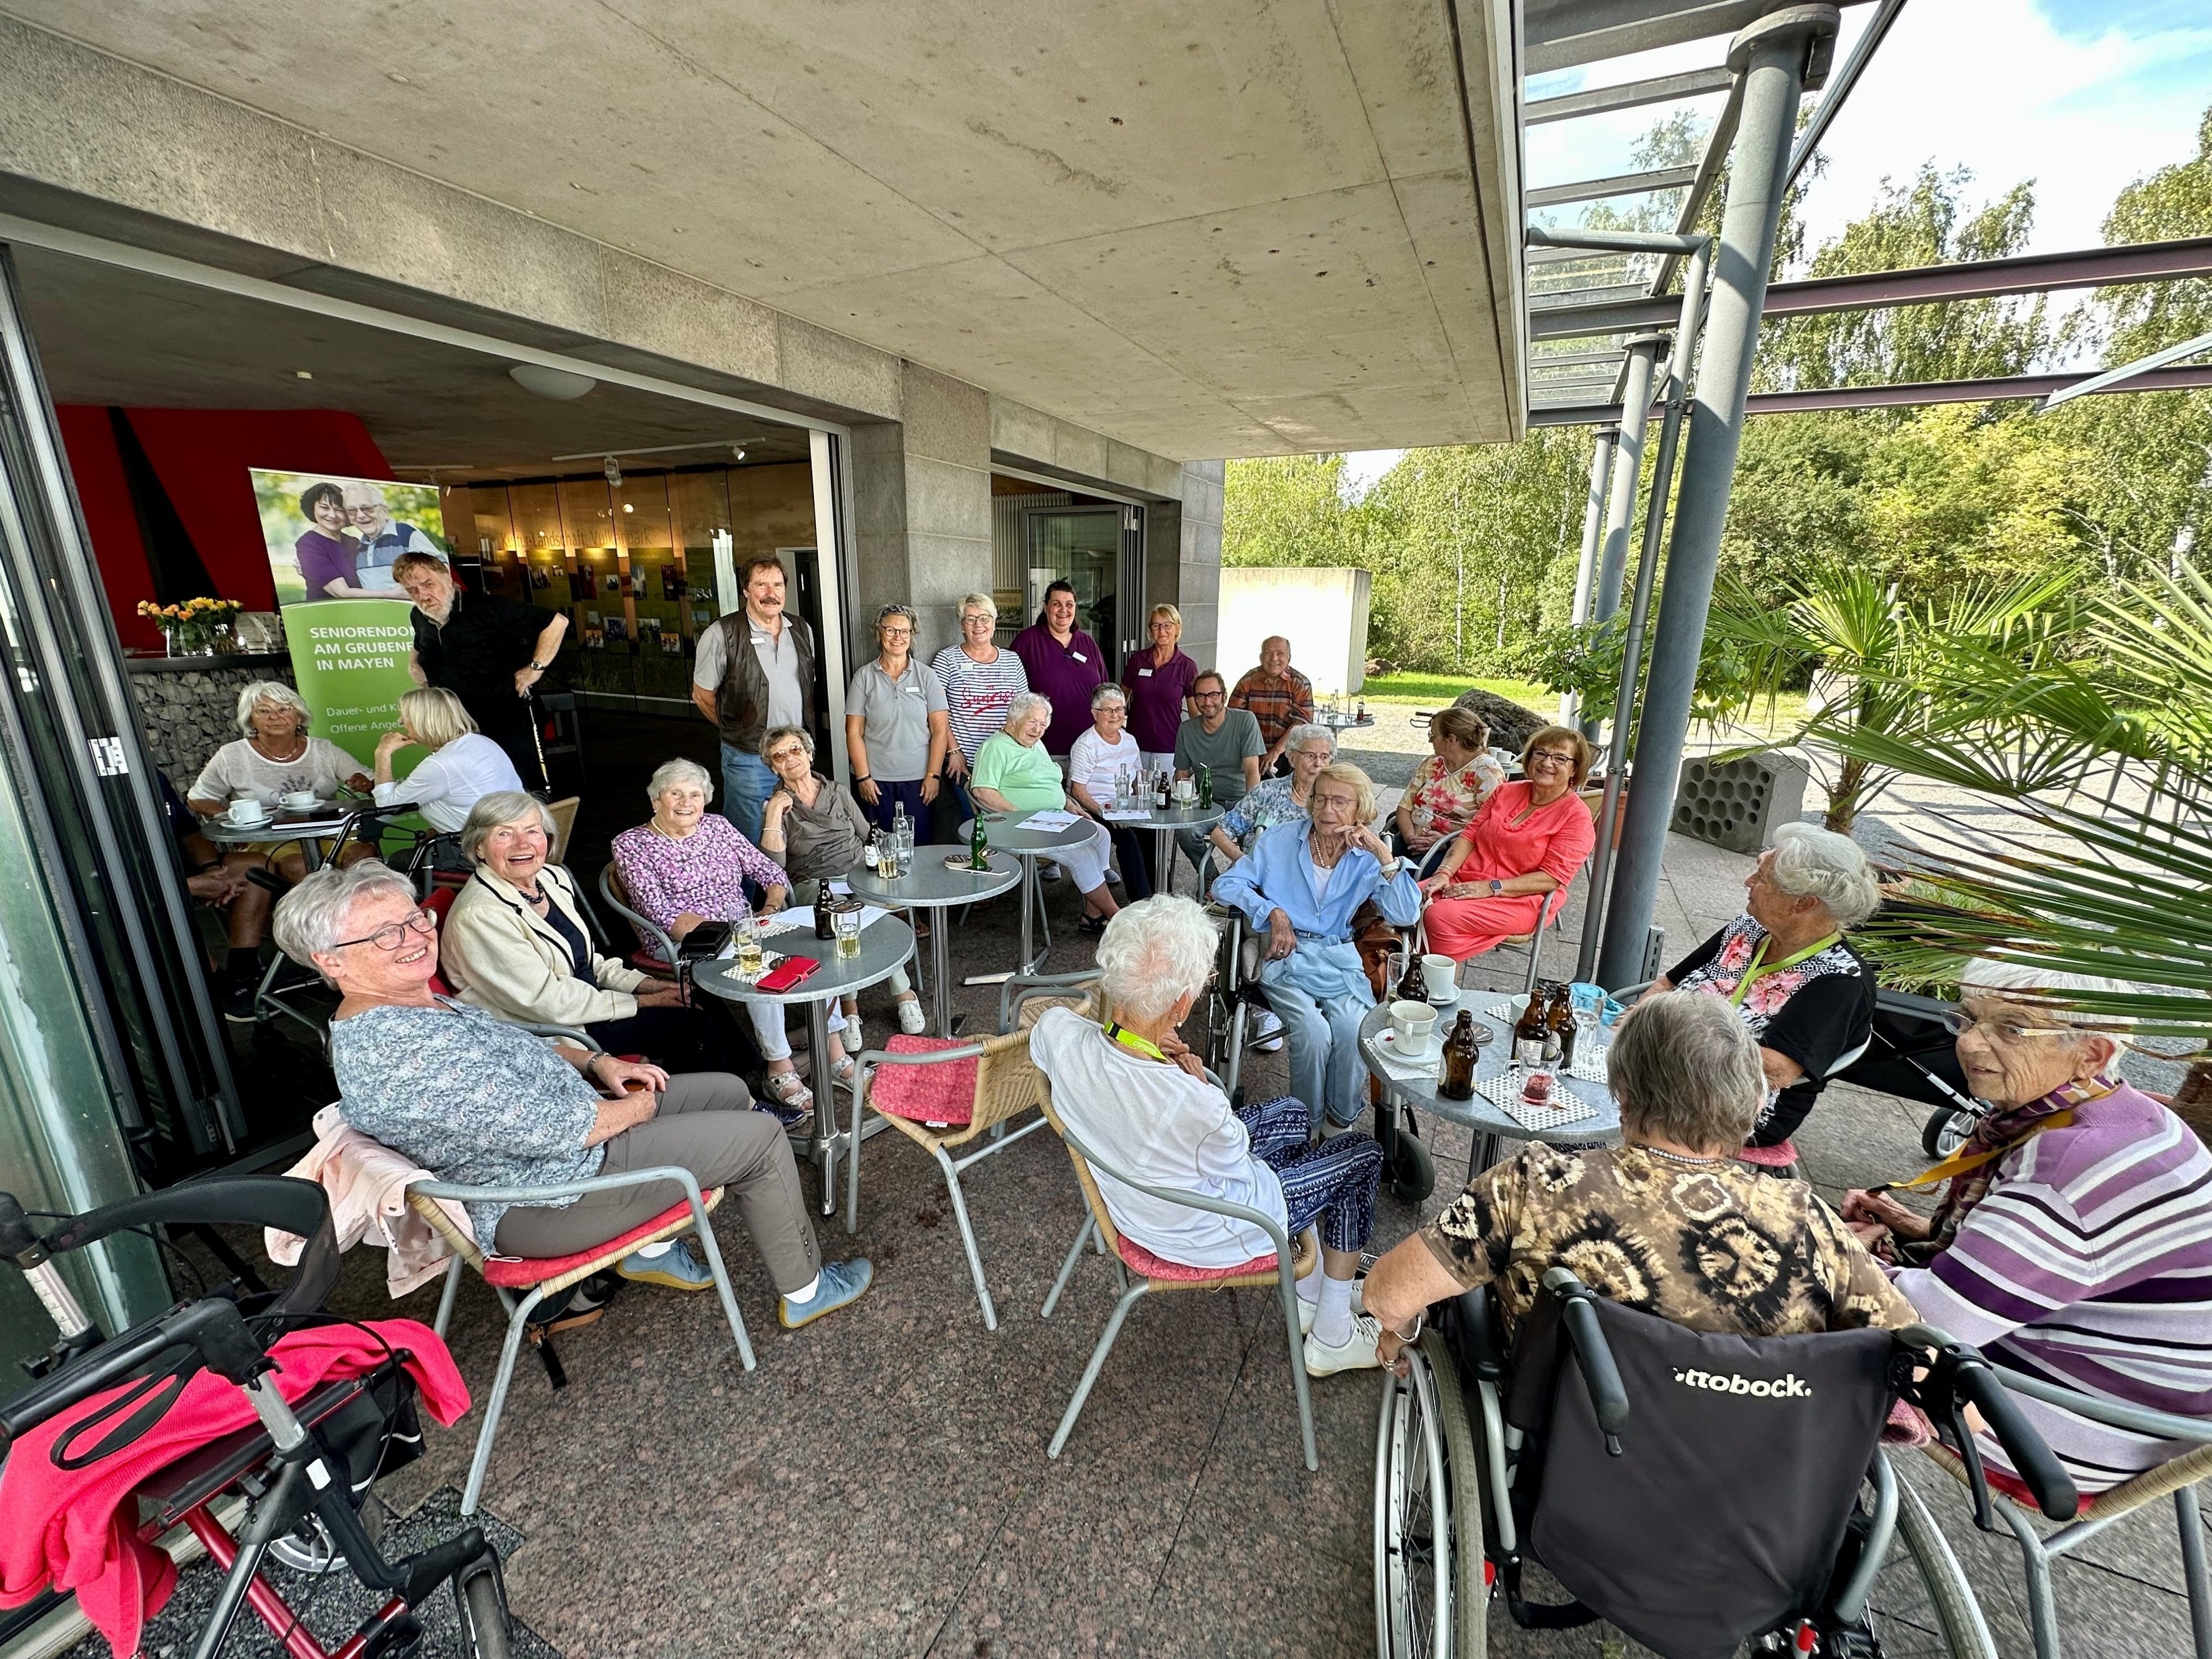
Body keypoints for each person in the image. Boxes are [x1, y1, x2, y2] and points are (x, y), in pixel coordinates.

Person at [274, 859, 871, 1328]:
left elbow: (513, 1043)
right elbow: (561, 1131)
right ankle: (806, 1290)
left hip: (566, 1146)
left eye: (414, 920)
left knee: (724, 1089)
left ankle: (650, 1252)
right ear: (330, 962)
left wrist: (597, 1060)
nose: (413, 938)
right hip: (548, 1197)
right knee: (762, 1135)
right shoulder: (398, 1048)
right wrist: (639, 1106)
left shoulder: (407, 1003)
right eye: (384, 935)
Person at [1363, 992, 1914, 1375]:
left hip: (1565, 1457)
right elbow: (1917, 1357)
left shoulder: (1539, 1185)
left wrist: (1404, 1330)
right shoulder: (1808, 1219)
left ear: (1619, 1091)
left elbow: (1386, 1293)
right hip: (1765, 1500)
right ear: (1751, 1104)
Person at [1843, 961, 2212, 1498]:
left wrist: (1836, 1255)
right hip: (2152, 1409)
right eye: (1968, 1019)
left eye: (2011, 1028)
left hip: (2068, 1427)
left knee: (1801, 1303)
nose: (1969, 1044)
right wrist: (1912, 1226)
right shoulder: (2128, 1114)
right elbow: (2070, 1260)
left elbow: (1926, 1321)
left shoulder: (2069, 1172)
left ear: (2092, 1054)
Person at [1031, 896, 1387, 1375]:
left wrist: (1145, 1041)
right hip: (1210, 1227)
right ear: (1181, 1003)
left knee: (1294, 1114)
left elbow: (1063, 1034)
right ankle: (1331, 1335)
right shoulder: (1192, 1101)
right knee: (1362, 1155)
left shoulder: (1058, 1034)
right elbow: (1236, 1163)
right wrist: (1193, 1082)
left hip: (1142, 1190)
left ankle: (1313, 1290)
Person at [439, 791, 750, 1086]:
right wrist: (644, 1001)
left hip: (585, 1002)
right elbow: (547, 1002)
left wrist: (653, 985)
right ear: (478, 847)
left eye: (532, 831)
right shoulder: (480, 915)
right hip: (555, 1029)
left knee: (695, 993)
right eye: (503, 834)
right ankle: (727, 1106)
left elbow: (587, 960)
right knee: (689, 1023)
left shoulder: (550, 878)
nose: (522, 844)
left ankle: (753, 1080)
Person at [611, 758, 854, 1124]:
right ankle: (778, 1068)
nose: (686, 801)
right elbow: (662, 914)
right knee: (757, 962)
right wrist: (739, 931)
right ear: (655, 800)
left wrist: (770, 907)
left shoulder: (718, 827)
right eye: (675, 793)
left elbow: (770, 871)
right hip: (683, 939)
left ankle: (833, 1052)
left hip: (746, 925)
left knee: (819, 944)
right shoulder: (632, 845)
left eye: (695, 794)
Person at [1210, 764, 1422, 1134]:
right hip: (1284, 955)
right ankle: (1304, 1125)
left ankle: (1338, 1123)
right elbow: (1226, 885)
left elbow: (1406, 912)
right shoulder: (1278, 840)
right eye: (1321, 799)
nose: (1327, 810)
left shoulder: (1367, 855)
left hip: (1337, 960)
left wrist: (1383, 855)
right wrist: (1271, 911)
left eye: (1340, 802)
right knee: (1312, 1031)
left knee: (1353, 1028)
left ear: (1361, 809)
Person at [1642, 824, 1880, 1149]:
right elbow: (1667, 984)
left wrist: (1658, 1035)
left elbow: (1775, 1069)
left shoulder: (1839, 982)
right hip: (1661, 1065)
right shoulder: (1749, 928)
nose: (1749, 882)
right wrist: (1637, 1026)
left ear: (1803, 903)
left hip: (1735, 1107)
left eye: (1763, 879)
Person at [186, 681, 374, 1021]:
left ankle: (367, 942)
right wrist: (230, 815)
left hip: (327, 832)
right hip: (269, 838)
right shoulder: (234, 755)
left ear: (298, 715)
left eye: (284, 709)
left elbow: (364, 777)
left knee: (362, 857)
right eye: (264, 711)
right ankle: (331, 949)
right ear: (250, 719)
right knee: (299, 865)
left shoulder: (322, 750)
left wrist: (364, 781)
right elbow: (198, 797)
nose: (276, 717)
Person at [757, 726, 928, 1037]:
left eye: (795, 750)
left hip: (857, 874)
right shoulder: (777, 806)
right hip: (814, 883)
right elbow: (773, 867)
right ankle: (852, 1006)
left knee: (875, 911)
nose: (790, 759)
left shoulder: (837, 791)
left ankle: (902, 995)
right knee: (843, 918)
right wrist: (773, 816)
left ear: (809, 754)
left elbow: (869, 835)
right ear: (773, 767)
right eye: (779, 756)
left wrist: (902, 855)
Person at [1420, 725, 1597, 963]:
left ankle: (1432, 980)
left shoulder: (1576, 816)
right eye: (1541, 753)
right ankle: (1404, 968)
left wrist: (1491, 887)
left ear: (1575, 769)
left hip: (1522, 900)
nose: (1547, 763)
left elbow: (1551, 878)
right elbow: (1470, 836)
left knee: (1439, 916)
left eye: (1560, 758)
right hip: (1466, 879)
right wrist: (1444, 872)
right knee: (1402, 897)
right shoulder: (1505, 791)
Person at [395, 551, 566, 789]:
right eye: (412, 590)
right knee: (477, 790)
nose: (423, 595)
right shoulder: (419, 616)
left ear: (446, 576)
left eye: (428, 584)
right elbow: (420, 642)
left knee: (524, 786)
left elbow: (556, 623)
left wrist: (535, 669)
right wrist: (414, 663)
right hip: (457, 725)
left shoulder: (487, 608)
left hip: (505, 716)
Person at [969, 692, 1120, 933]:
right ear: (1014, 719)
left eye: (1042, 724)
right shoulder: (995, 747)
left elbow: (1047, 783)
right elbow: (982, 791)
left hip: (1051, 818)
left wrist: (1069, 804)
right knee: (1081, 854)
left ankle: (1092, 915)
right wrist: (1021, 815)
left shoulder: (1035, 744)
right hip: (1019, 828)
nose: (1038, 730)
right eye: (1032, 722)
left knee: (1100, 833)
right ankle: (1119, 919)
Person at [691, 554, 815, 846]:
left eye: (777, 585)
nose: (771, 594)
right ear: (746, 591)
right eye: (761, 585)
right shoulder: (722, 634)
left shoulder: (801, 630)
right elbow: (702, 696)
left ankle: (786, 892)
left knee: (793, 831)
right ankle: (745, 894)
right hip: (749, 758)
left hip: (795, 754)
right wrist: (738, 730)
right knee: (746, 836)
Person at [846, 602, 948, 845]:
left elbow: (940, 730)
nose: (897, 637)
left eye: (904, 631)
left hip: (919, 782)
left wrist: (934, 775)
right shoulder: (864, 677)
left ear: (912, 636)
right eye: (890, 630)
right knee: (881, 848)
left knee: (920, 848)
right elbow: (853, 732)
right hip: (876, 782)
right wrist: (863, 777)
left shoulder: (926, 676)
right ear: (878, 632)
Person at [931, 592, 1028, 832]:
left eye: (984, 618)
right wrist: (953, 750)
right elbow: (936, 712)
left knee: (1007, 819)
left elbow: (1024, 711)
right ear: (962, 626)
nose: (978, 625)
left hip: (1005, 761)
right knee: (975, 819)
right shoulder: (947, 659)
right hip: (965, 761)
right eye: (970, 619)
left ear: (994, 623)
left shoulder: (1012, 661)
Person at [370, 687, 524, 836]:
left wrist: (382, 753)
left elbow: (387, 808)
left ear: (424, 720)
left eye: (406, 716)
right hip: (513, 834)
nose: (400, 721)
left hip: (485, 850)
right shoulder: (481, 742)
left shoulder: (441, 764)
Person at [1172, 669, 1266, 875]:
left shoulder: (1245, 721)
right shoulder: (1187, 730)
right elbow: (1181, 775)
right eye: (1201, 696)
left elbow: (1252, 771)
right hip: (1206, 805)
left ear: (1224, 696)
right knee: (1185, 832)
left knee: (1257, 839)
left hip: (1240, 803)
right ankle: (1211, 880)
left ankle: (1242, 884)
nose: (1207, 702)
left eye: (1213, 695)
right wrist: (1182, 804)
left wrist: (1253, 810)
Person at [1065, 684, 1152, 901]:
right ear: (1095, 713)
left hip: (1123, 807)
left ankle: (1161, 894)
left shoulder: (1130, 741)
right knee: (1127, 839)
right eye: (1108, 710)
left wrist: (1145, 803)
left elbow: (1138, 779)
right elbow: (1078, 791)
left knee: (1151, 833)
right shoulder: (1086, 744)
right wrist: (1107, 814)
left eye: (1119, 709)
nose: (1115, 715)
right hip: (1091, 808)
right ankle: (1140, 902)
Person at [1205, 722, 1334, 869]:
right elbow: (1220, 833)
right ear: (1292, 759)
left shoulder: (1335, 802)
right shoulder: (1267, 792)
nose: (1318, 764)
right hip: (1254, 879)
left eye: (1324, 757)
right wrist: (1245, 862)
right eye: (1311, 756)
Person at [1394, 707, 1505, 868]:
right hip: (1412, 838)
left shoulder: (1487, 772)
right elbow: (1404, 807)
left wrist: (1445, 842)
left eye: (1433, 735)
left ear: (1451, 740)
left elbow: (1491, 829)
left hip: (1453, 850)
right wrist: (1411, 839)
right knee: (1370, 868)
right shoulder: (1432, 763)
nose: (1430, 740)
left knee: (1403, 881)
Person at [1011, 579, 1105, 757]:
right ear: (1046, 608)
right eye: (1057, 604)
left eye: (1069, 604)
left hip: (1089, 749)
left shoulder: (1087, 643)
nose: (1064, 610)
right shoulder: (1026, 642)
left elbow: (1104, 691)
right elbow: (1011, 697)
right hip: (1042, 751)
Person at [1120, 603, 1199, 770]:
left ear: (1177, 629)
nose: (1161, 631)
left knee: (1163, 796)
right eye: (1156, 626)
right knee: (1136, 793)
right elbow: (1121, 697)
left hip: (1168, 748)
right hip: (1135, 745)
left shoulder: (1187, 666)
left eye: (1167, 625)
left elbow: (1195, 713)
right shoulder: (1138, 660)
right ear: (1150, 630)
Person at [1229, 636, 1315, 776]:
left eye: (1280, 654)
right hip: (1252, 753)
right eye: (1269, 653)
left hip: (1288, 755)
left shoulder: (1300, 683)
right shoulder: (1248, 680)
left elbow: (1302, 723)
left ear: (1289, 657)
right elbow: (1233, 717)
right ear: (1261, 657)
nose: (1274, 658)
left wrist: (1275, 751)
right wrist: (1250, 752)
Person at [341, 481, 440, 593]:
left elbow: (440, 571)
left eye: (367, 508)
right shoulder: (359, 548)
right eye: (352, 511)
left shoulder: (406, 534)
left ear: (384, 511)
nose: (360, 516)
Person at [291, 480, 369, 602]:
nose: (332, 515)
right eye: (324, 508)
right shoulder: (308, 544)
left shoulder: (354, 542)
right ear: (313, 509)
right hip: (328, 615)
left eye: (339, 510)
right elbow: (342, 592)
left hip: (362, 612)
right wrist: (394, 594)